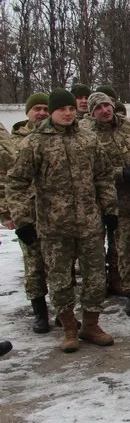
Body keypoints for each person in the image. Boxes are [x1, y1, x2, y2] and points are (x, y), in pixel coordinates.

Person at [7, 89, 118, 353]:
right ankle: (69, 327)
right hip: (54, 225)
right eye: (62, 110)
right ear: (52, 112)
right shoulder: (36, 143)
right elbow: (17, 182)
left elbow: (103, 176)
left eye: (71, 109)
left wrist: (110, 209)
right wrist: (23, 220)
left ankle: (91, 324)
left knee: (95, 276)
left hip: (89, 222)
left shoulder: (88, 139)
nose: (68, 113)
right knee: (59, 279)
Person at [87, 91, 130, 315]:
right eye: (98, 108)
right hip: (118, 203)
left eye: (107, 105)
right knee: (125, 252)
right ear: (92, 113)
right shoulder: (88, 135)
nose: (105, 110)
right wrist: (120, 173)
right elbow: (92, 170)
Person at [1, 94, 52, 333]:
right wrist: (7, 213)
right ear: (28, 112)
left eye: (45, 108)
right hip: (27, 214)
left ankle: (64, 311)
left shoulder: (56, 136)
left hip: (55, 213)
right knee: (34, 266)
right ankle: (40, 313)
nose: (41, 113)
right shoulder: (13, 141)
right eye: (37, 109)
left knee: (60, 265)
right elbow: (4, 179)